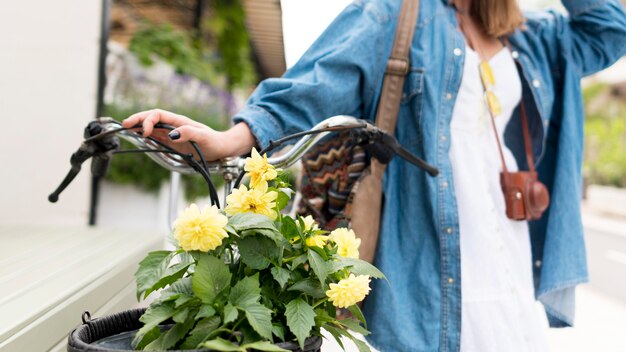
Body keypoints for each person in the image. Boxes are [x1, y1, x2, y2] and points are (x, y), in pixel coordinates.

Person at [123, 0, 626, 350]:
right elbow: (313, 83)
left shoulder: (535, 35)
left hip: (512, 256)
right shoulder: (395, 12)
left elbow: (610, 28)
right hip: (431, 261)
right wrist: (229, 139)